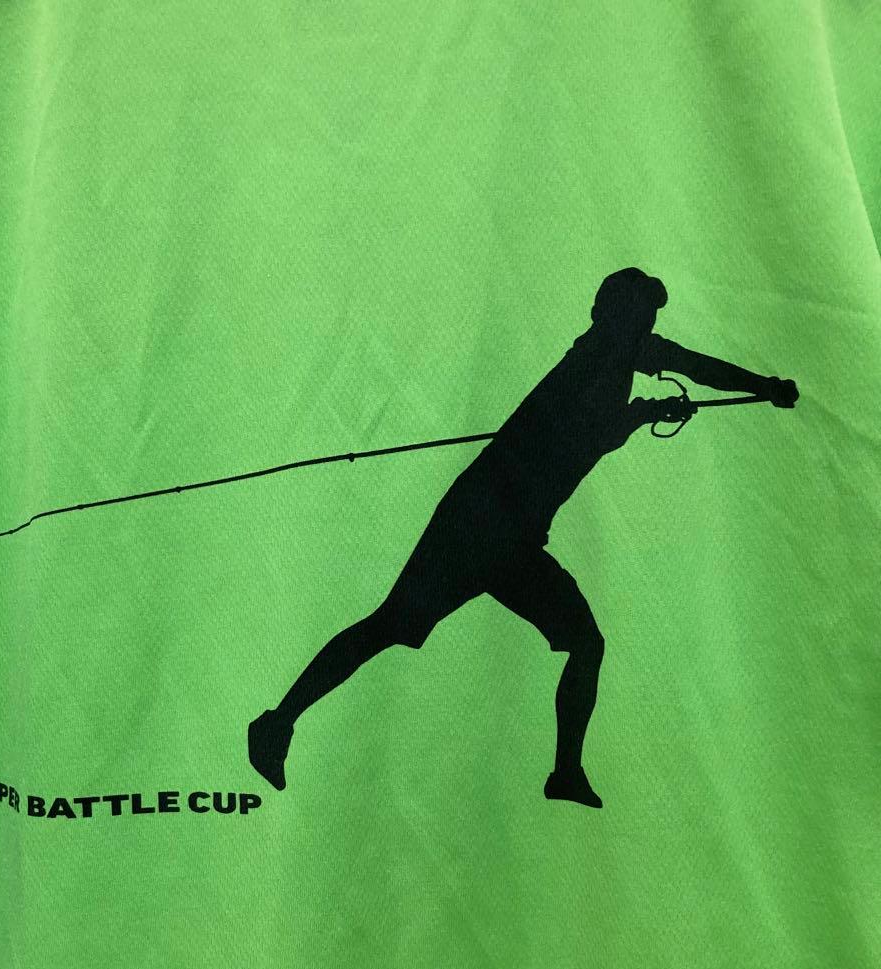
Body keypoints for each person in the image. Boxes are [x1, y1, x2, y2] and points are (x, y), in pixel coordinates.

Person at [248, 267, 798, 807]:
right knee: (391, 626)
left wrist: (751, 389)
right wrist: (651, 412)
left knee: (577, 643)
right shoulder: (594, 359)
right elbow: (599, 430)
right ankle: (277, 723)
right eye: (641, 312)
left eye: (650, 315)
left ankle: (566, 773)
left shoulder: (618, 355)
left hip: (510, 536)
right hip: (480, 522)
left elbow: (685, 374)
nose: (647, 323)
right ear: (612, 313)